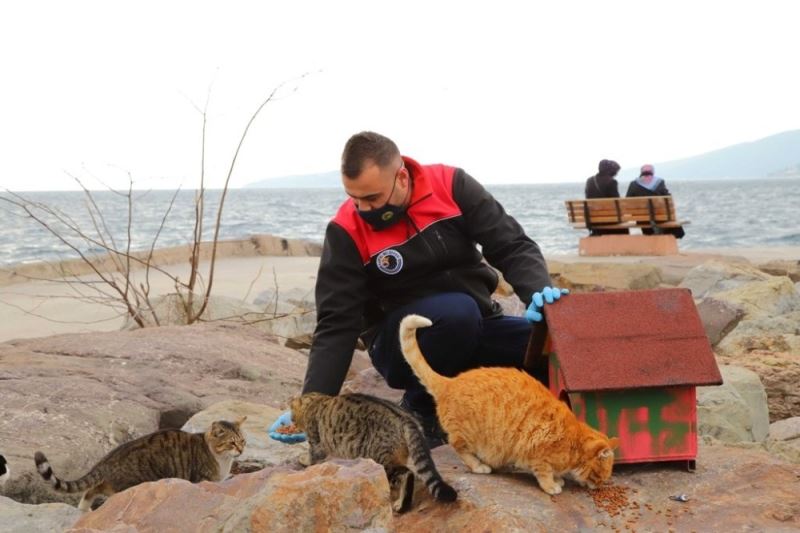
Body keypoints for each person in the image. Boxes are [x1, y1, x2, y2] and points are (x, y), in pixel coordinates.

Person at [268, 131, 567, 448]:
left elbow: (510, 244)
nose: (362, 209)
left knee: (553, 353)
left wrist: (538, 291)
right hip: (401, 344)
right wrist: (312, 404)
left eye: (371, 199)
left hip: (479, 324)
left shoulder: (451, 186)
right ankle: (421, 410)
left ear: (401, 177)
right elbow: (337, 323)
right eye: (353, 198)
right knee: (457, 313)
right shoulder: (345, 230)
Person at [626, 164, 685, 238]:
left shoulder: (633, 184)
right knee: (669, 221)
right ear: (652, 172)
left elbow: (628, 200)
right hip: (660, 217)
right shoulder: (659, 182)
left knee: (648, 223)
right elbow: (667, 197)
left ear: (641, 172)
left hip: (642, 219)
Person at [583, 159, 629, 236]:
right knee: (624, 229)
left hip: (592, 219)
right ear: (609, 170)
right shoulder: (612, 182)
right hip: (609, 220)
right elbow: (616, 202)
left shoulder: (589, 180)